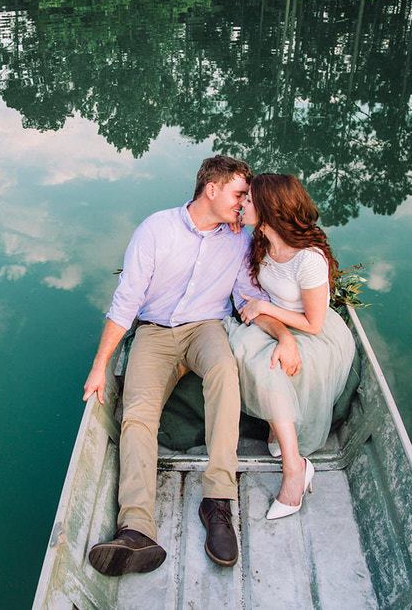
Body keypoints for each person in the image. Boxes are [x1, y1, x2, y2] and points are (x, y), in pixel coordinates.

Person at [81, 156, 300, 576]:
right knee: (138, 414)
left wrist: (285, 335)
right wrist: (99, 365)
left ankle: (217, 501)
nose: (243, 204)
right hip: (155, 332)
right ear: (212, 190)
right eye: (239, 195)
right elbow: (126, 302)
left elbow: (248, 300)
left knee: (224, 373)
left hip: (205, 328)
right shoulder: (156, 230)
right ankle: (136, 529)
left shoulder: (238, 239)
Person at [225, 173, 355, 520]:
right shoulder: (261, 241)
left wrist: (266, 308)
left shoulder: (308, 259)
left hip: (314, 333)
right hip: (283, 325)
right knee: (249, 351)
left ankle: (294, 470)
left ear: (268, 209)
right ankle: (286, 444)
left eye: (249, 200)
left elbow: (313, 322)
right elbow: (252, 296)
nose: (242, 204)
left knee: (273, 364)